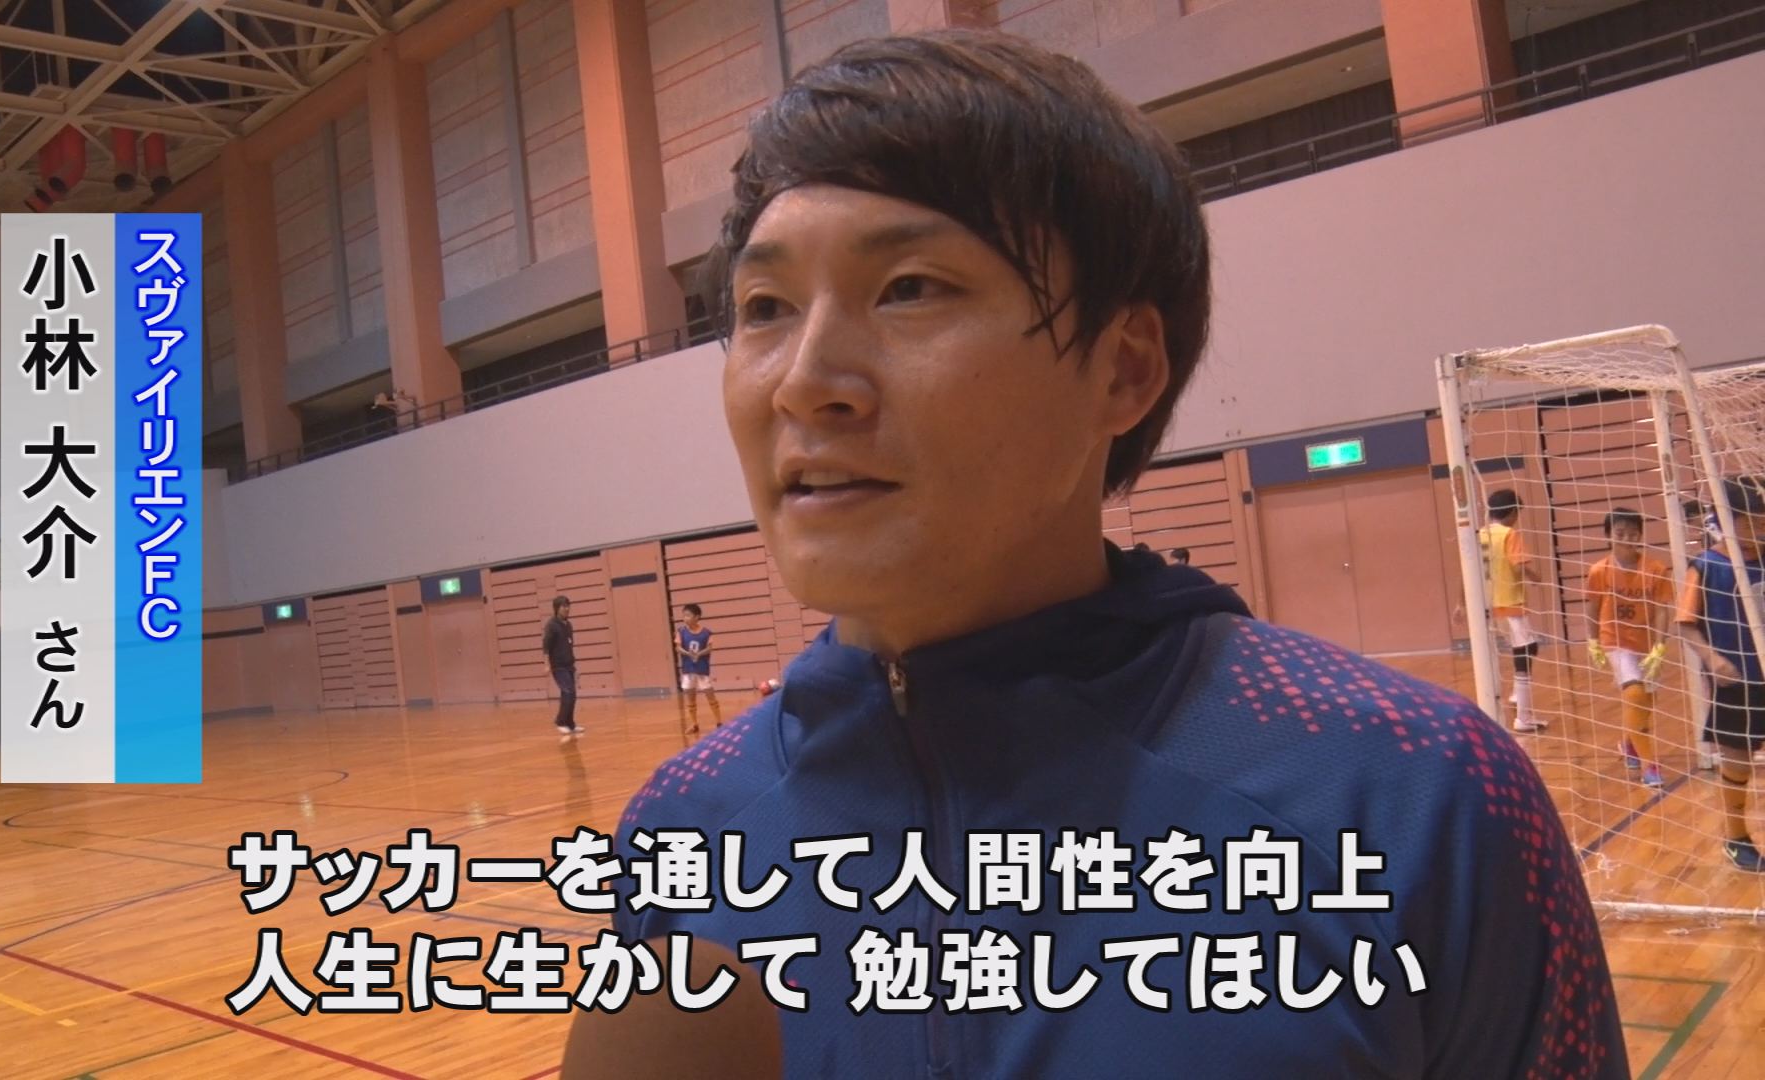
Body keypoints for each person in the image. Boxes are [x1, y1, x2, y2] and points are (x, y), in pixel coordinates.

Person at [602, 29, 1626, 1079]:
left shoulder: (1414, 796)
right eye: (765, 309)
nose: (804, 380)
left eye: (909, 288)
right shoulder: (679, 834)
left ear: (1125, 369)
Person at [1675, 476, 1765, 871]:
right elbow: (1685, 623)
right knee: (1737, 759)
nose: (1761, 528)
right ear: (1728, 520)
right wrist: (1713, 660)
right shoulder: (1708, 566)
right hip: (1737, 680)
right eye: (1753, 521)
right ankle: (1735, 836)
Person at [1585, 509, 1673, 787]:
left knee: (1646, 702)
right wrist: (1593, 641)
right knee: (1634, 694)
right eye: (1620, 533)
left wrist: (1660, 646)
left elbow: (1662, 610)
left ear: (1640, 536)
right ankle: (1650, 766)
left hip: (1646, 644)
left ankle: (1628, 743)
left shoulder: (1656, 569)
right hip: (1615, 641)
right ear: (1608, 536)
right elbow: (1592, 607)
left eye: (1633, 534)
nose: (1626, 539)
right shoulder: (1599, 571)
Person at [1478, 488, 1547, 732]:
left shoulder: (1481, 534)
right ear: (1512, 513)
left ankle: (1517, 695)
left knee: (1528, 646)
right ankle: (1523, 717)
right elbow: (1518, 565)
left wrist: (1461, 603)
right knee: (1525, 652)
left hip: (1490, 602)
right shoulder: (1509, 534)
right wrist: (1535, 576)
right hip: (1511, 602)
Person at [1682, 499, 1719, 769]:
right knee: (1712, 681)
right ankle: (1718, 741)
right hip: (1709, 618)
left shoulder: (1714, 532)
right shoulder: (1703, 549)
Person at [676, 603, 722, 733]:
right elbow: (678, 647)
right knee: (690, 698)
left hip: (702, 669)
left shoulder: (706, 633)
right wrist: (688, 653)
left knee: (710, 695)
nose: (685, 618)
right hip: (688, 669)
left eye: (688, 615)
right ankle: (694, 724)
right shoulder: (681, 631)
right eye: (684, 615)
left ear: (697, 617)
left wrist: (699, 654)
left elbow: (709, 648)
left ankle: (719, 722)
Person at [542, 595, 582, 737]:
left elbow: (569, 646)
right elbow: (546, 646)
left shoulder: (568, 625)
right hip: (558, 666)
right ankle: (560, 722)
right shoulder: (551, 625)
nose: (567, 608)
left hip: (569, 665)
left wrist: (575, 667)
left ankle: (570, 724)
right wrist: (547, 664)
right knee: (568, 692)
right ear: (556, 608)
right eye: (563, 606)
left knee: (573, 694)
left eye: (568, 605)